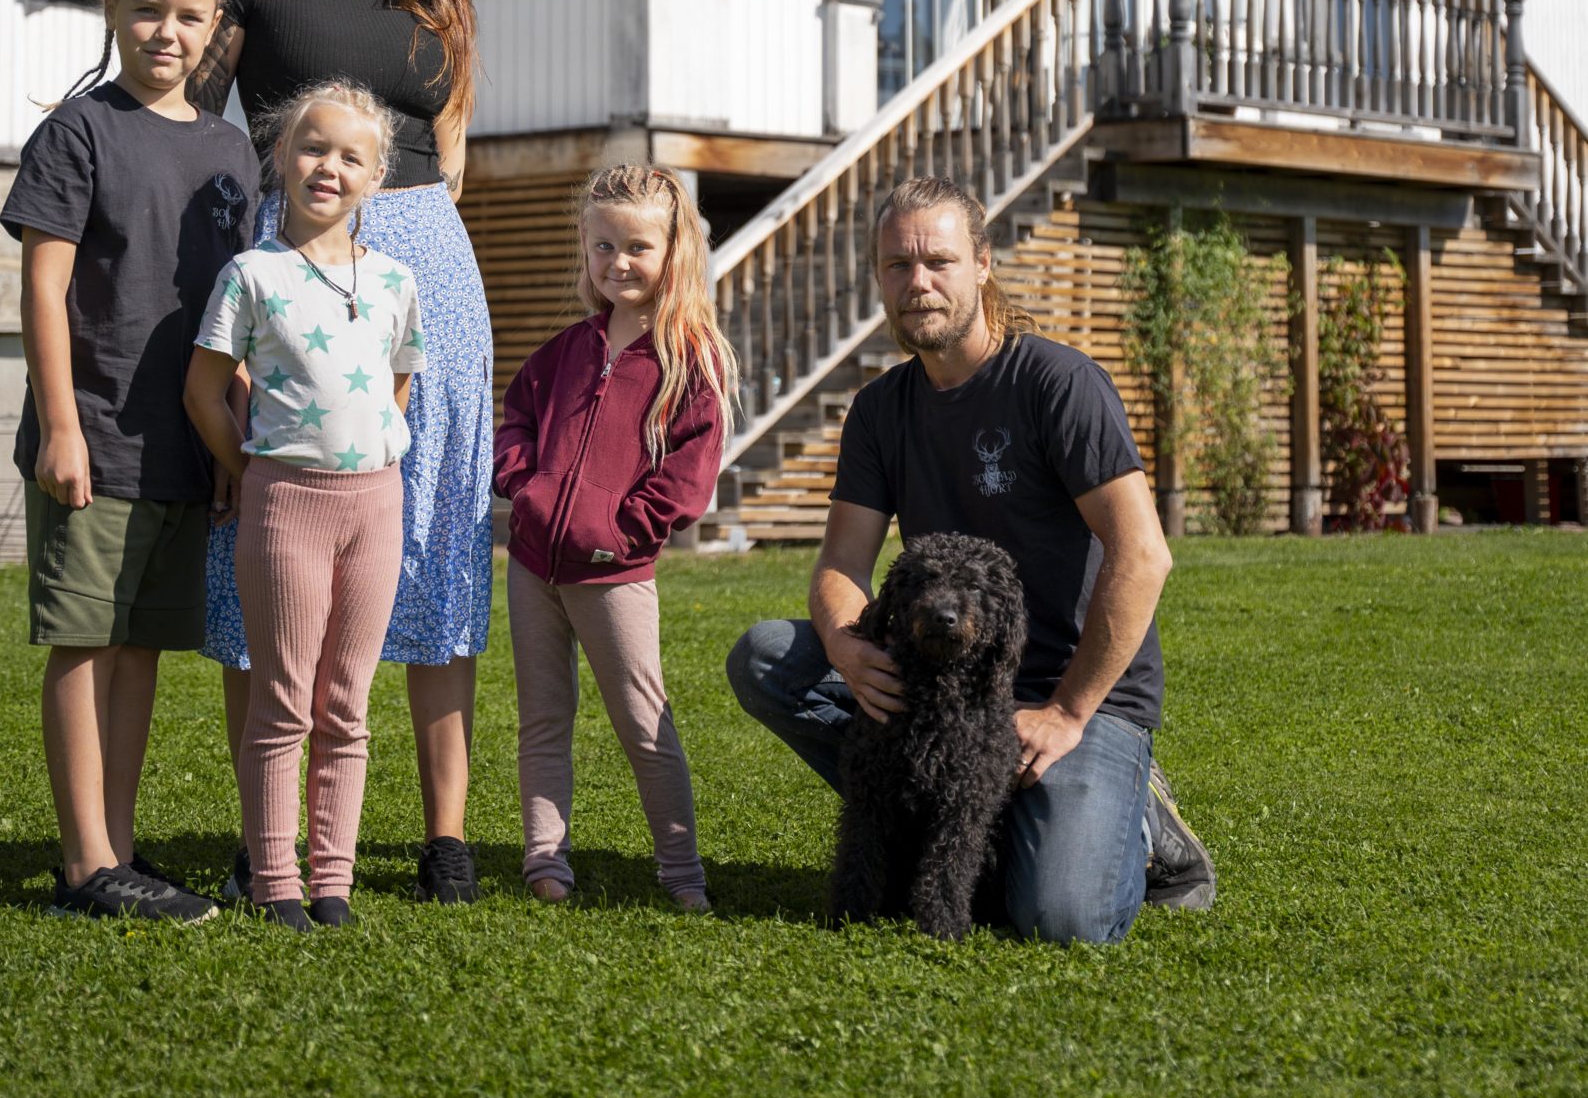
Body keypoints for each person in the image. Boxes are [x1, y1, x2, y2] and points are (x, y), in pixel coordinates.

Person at [726, 175, 1216, 946]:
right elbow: (840, 565)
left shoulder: (1056, 384)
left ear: (981, 265)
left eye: (938, 262)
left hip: (1072, 695)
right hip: (938, 683)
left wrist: (1065, 712)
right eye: (897, 265)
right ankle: (946, 813)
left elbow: (1142, 556)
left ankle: (1147, 826)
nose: (916, 282)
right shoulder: (881, 408)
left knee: (1060, 920)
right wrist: (849, 649)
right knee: (765, 657)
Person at [189, 0, 495, 905]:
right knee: (268, 532)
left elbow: (451, 153)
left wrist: (411, 251)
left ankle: (443, 836)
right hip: (292, 259)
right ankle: (263, 835)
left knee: (429, 534)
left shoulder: (440, 0)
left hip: (422, 272)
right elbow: (198, 119)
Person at [2, 0, 259, 922]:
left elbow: (234, 312)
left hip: (181, 444)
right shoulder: (78, 132)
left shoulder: (232, 150)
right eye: (146, 8)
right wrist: (60, 424)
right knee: (84, 642)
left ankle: (116, 848)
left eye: (189, 14)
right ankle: (84, 864)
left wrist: (227, 440)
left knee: (141, 644)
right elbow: (42, 286)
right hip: (95, 432)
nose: (166, 30)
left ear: (214, 28)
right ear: (112, 9)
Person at [185, 83, 426, 932]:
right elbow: (205, 391)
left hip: (376, 508)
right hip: (284, 504)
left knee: (346, 704)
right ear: (282, 160)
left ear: (377, 176)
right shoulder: (252, 275)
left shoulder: (397, 280)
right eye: (312, 148)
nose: (328, 167)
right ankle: (275, 881)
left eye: (349, 156)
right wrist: (247, 471)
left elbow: (396, 381)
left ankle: (333, 882)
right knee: (283, 698)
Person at [493, 165, 734, 913]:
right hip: (534, 568)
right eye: (602, 246)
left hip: (614, 576)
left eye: (636, 246)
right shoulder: (565, 351)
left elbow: (687, 483)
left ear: (673, 252)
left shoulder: (691, 363)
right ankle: (545, 860)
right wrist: (526, 490)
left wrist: (616, 532)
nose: (618, 263)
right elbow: (515, 424)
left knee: (643, 723)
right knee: (542, 717)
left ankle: (681, 873)